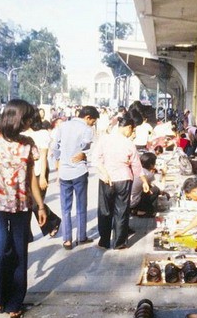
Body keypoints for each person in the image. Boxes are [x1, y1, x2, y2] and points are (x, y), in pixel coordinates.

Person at [0, 100, 47, 318]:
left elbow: (32, 177)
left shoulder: (28, 144)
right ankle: (1, 290)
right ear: (16, 118)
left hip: (23, 206)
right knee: (0, 250)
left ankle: (14, 301)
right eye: (27, 118)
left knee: (20, 253)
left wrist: (40, 206)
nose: (30, 122)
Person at [93, 114, 149, 250]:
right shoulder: (129, 144)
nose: (132, 133)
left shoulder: (104, 139)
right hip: (124, 180)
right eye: (132, 130)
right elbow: (137, 166)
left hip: (106, 180)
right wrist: (144, 181)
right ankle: (119, 243)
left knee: (105, 211)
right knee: (121, 211)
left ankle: (104, 241)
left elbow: (95, 159)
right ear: (128, 127)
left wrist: (104, 173)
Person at [51, 106, 99, 250]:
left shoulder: (63, 125)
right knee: (81, 205)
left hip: (64, 172)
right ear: (88, 117)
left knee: (65, 208)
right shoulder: (87, 130)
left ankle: (67, 239)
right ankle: (81, 236)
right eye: (93, 121)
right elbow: (88, 149)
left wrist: (60, 162)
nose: (93, 124)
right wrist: (83, 155)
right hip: (79, 171)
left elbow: (55, 147)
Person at [23, 117, 60, 238]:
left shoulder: (42, 134)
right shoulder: (20, 133)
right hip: (24, 173)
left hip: (39, 171)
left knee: (35, 204)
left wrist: (43, 176)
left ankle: (52, 222)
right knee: (25, 204)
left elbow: (43, 157)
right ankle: (26, 234)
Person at [130, 152, 167, 217]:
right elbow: (161, 188)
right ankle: (149, 211)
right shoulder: (148, 174)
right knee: (155, 190)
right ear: (151, 165)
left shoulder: (136, 169)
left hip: (125, 200)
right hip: (133, 203)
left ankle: (137, 210)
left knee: (149, 187)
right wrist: (164, 174)